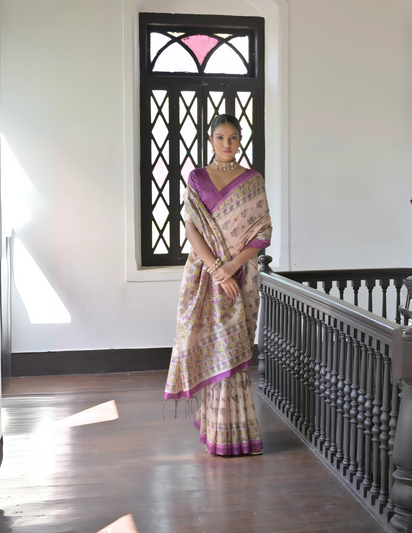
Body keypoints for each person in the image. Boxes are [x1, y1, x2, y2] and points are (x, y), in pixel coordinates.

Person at [164, 114, 272, 456]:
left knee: (235, 346)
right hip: (205, 277)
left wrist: (232, 267)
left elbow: (262, 232)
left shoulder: (253, 180)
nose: (228, 144)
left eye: (234, 137)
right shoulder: (196, 178)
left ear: (240, 140)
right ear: (210, 140)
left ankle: (235, 432)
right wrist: (216, 270)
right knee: (213, 348)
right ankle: (217, 430)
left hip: (242, 275)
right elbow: (191, 229)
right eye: (221, 137)